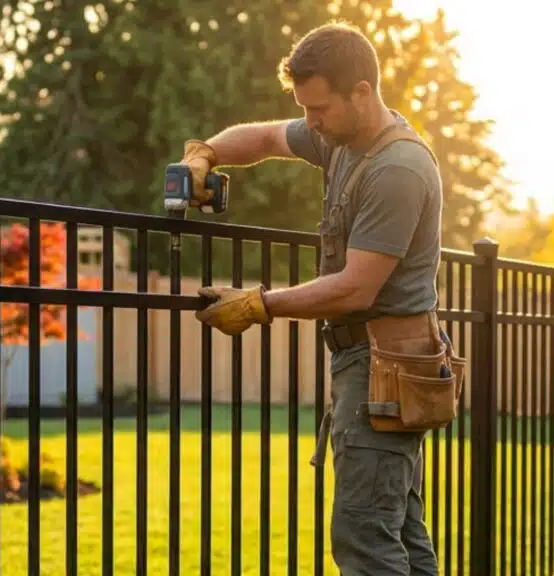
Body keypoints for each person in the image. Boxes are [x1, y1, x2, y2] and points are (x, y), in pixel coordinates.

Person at [185, 22, 445, 575]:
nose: (311, 123)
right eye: (305, 108)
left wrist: (259, 304)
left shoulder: (397, 168)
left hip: (384, 365)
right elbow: (262, 138)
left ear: (362, 93)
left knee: (365, 537)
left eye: (319, 108)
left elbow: (356, 286)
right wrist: (206, 155)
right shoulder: (340, 137)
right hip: (375, 360)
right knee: (399, 530)